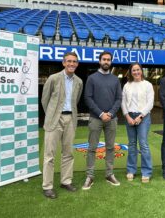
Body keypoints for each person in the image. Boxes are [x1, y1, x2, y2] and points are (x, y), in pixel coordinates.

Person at [41, 52, 83, 199]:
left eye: (74, 62)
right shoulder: (53, 78)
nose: (72, 64)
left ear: (77, 64)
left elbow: (75, 100)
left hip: (70, 119)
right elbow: (45, 100)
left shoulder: (79, 81)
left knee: (68, 153)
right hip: (54, 119)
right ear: (63, 63)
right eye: (69, 61)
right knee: (49, 155)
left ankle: (66, 181)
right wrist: (52, 115)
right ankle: (47, 186)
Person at [82, 51, 122, 190]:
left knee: (110, 148)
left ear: (111, 62)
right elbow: (88, 98)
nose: (106, 62)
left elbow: (118, 99)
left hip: (112, 119)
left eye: (109, 60)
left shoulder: (115, 79)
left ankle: (109, 174)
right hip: (95, 118)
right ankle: (90, 176)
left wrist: (110, 113)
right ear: (99, 61)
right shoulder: (92, 78)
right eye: (104, 59)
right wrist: (100, 114)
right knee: (92, 148)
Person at [121, 62, 154, 183]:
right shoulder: (126, 85)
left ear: (141, 71)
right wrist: (127, 116)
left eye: (138, 70)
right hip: (130, 116)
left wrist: (140, 116)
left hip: (143, 117)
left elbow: (150, 103)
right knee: (132, 144)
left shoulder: (148, 85)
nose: (136, 72)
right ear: (130, 72)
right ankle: (131, 170)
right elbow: (123, 102)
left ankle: (146, 172)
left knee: (143, 144)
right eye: (133, 70)